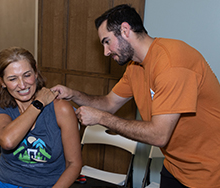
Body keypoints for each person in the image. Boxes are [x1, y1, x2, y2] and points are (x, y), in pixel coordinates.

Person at [51, 4, 220, 188]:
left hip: (210, 172)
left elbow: (159, 135)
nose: (106, 52)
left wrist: (101, 118)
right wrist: (73, 94)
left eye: (107, 41)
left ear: (125, 30)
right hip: (176, 167)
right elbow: (109, 103)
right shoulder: (135, 67)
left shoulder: (172, 62)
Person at [0, 47, 82, 188]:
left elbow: (74, 164)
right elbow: (8, 141)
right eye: (13, 79)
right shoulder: (0, 107)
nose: (22, 84)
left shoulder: (61, 109)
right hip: (6, 183)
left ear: (36, 72)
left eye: (27, 75)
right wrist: (38, 104)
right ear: (2, 82)